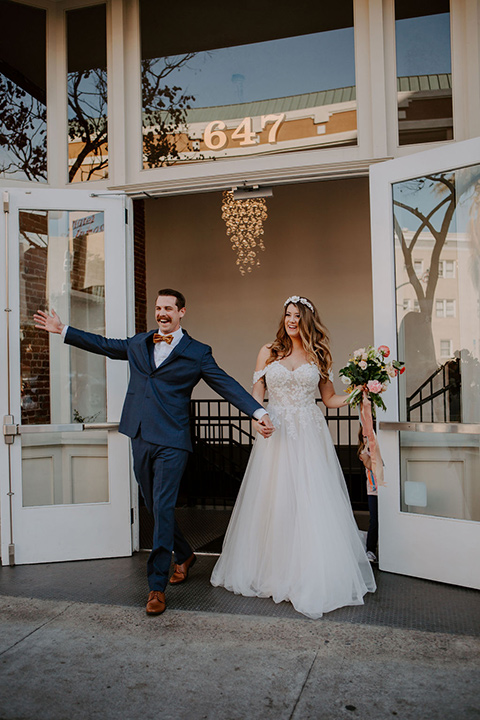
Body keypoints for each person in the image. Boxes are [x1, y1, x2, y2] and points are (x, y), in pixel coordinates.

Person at [34, 289, 274, 616]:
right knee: (152, 502)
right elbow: (105, 345)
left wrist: (257, 412)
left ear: (182, 312)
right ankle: (186, 552)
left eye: (168, 308)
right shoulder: (139, 343)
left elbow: (225, 383)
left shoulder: (197, 352)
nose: (162, 313)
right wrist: (64, 329)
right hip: (139, 434)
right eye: (158, 308)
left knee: (162, 504)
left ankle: (156, 585)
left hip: (173, 440)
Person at [211, 295, 376, 619]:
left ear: (308, 320)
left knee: (309, 502)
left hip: (308, 435)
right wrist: (256, 419)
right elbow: (256, 394)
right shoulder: (268, 350)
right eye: (288, 315)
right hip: (275, 433)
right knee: (276, 501)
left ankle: (307, 572)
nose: (291, 320)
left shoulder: (319, 355)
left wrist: (359, 393)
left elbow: (328, 399)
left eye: (297, 316)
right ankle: (273, 571)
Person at [358, 426, 379, 563]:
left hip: (385, 488)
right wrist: (366, 459)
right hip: (373, 490)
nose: (367, 439)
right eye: (365, 436)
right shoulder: (364, 452)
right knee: (374, 519)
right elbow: (373, 467)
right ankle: (371, 549)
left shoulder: (379, 450)